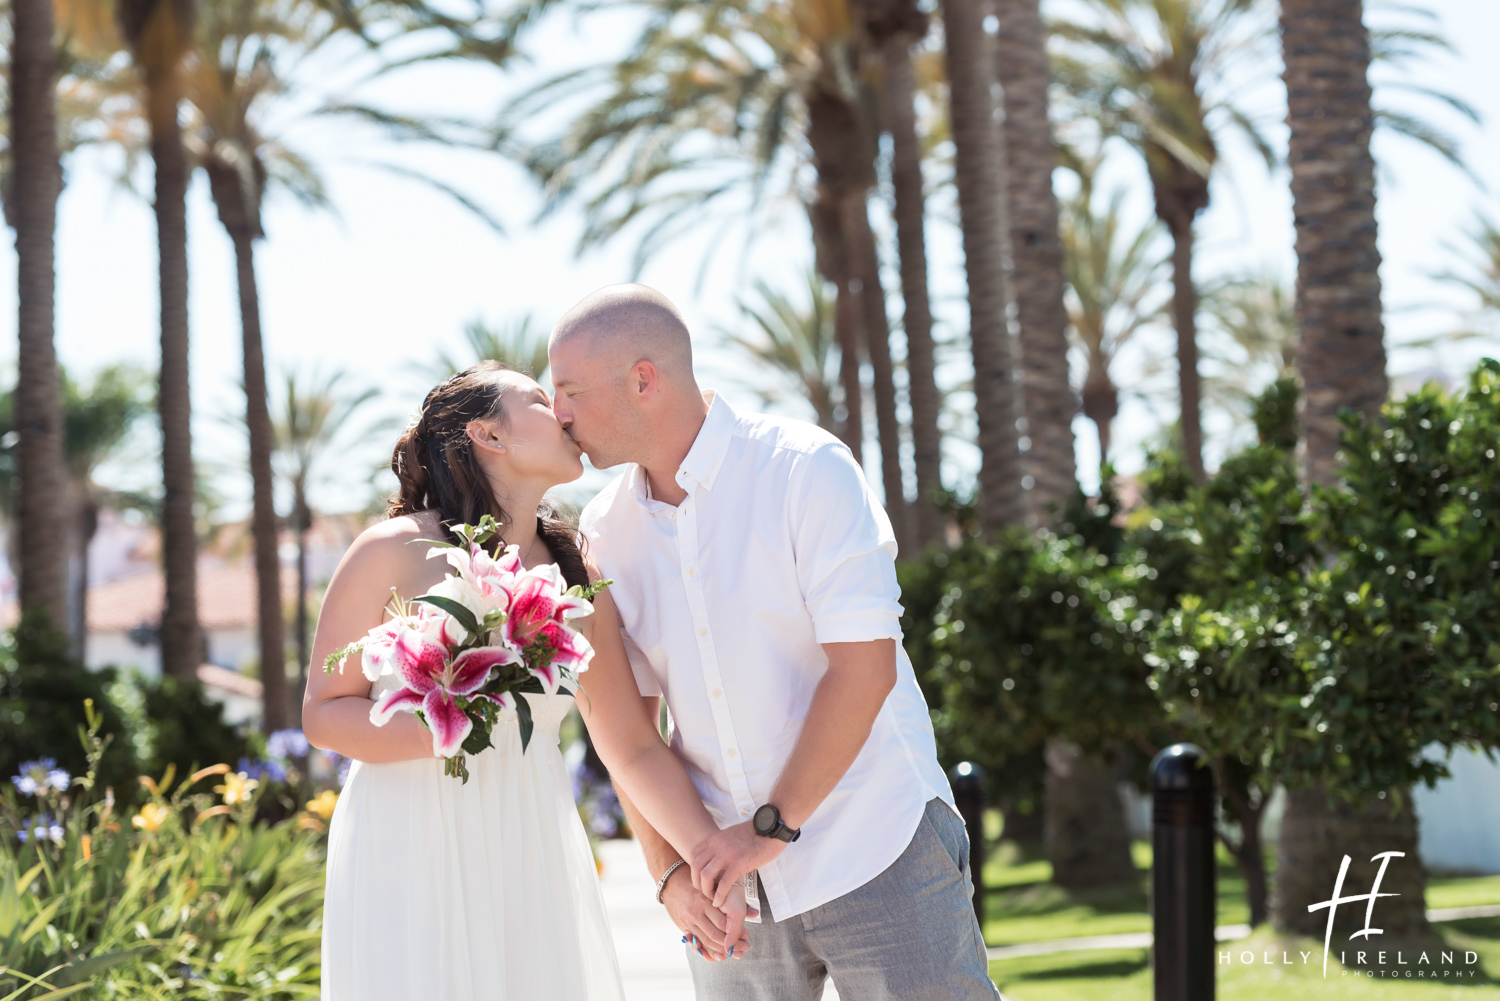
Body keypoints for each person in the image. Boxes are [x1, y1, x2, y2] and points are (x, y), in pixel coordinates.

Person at [553, 285, 999, 1000]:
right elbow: (631, 737)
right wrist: (672, 870)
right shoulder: (605, 534)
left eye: (569, 390)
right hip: (726, 889)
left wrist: (768, 828)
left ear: (644, 379)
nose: (559, 414)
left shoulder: (805, 470)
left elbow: (864, 671)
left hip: (876, 842)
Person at [304, 361, 749, 1001]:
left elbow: (634, 743)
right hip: (409, 842)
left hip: (528, 836)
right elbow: (324, 712)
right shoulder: (388, 552)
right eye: (542, 400)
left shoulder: (576, 572)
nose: (565, 413)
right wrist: (457, 722)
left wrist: (704, 865)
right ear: (489, 435)